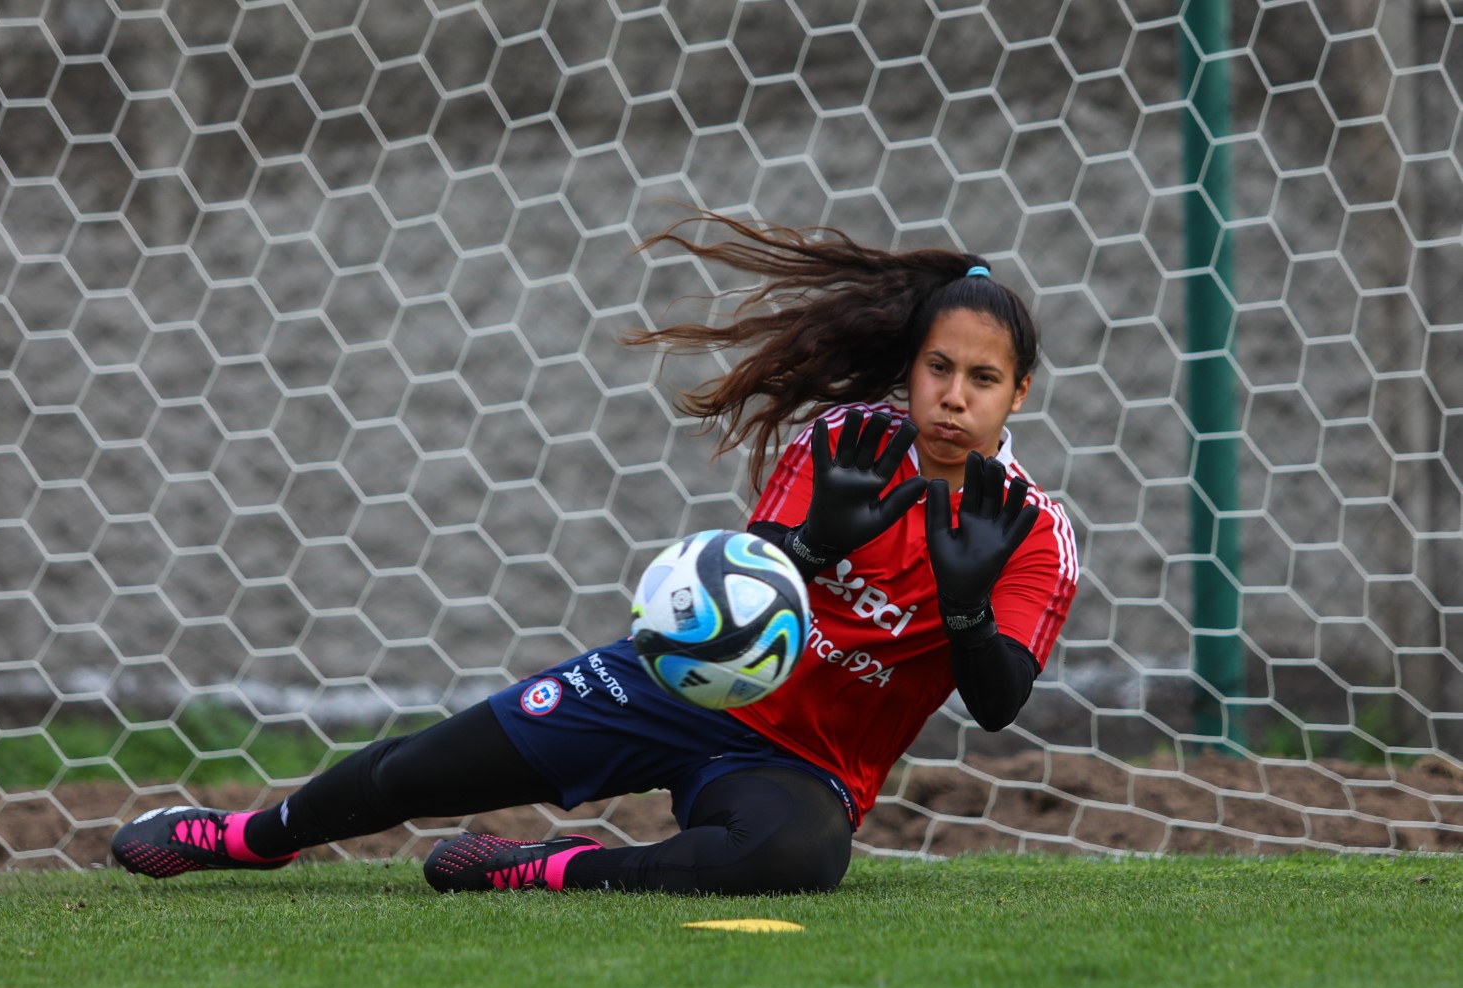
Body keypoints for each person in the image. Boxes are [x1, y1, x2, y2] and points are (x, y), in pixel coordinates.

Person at [110, 213, 1077, 894]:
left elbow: (996, 706)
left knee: (798, 862)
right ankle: (253, 837)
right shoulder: (845, 446)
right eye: (938, 368)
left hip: (800, 766)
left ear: (1018, 393)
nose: (954, 395)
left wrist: (962, 604)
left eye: (981, 379)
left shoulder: (1033, 533)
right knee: (422, 771)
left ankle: (541, 868)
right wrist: (817, 542)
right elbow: (734, 595)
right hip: (679, 686)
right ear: (910, 368)